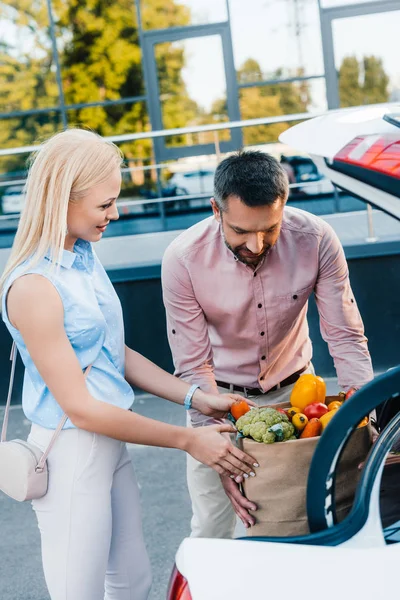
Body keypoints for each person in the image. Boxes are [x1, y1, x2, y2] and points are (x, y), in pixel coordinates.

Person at [0, 130, 258, 600]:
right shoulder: (33, 286)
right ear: (63, 197)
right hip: (71, 452)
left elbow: (112, 354)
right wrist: (187, 439)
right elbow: (81, 409)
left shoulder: (81, 258)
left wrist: (196, 397)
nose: (114, 214)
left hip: (111, 446)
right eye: (105, 204)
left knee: (133, 582)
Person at [161, 150, 374, 539]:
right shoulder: (182, 259)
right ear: (215, 209)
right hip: (218, 399)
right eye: (241, 232)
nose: (257, 245)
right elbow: (193, 365)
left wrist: (366, 420)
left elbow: (344, 334)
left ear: (284, 205)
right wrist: (222, 457)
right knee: (215, 527)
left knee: (308, 521)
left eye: (270, 229)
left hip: (300, 394)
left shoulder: (317, 239)